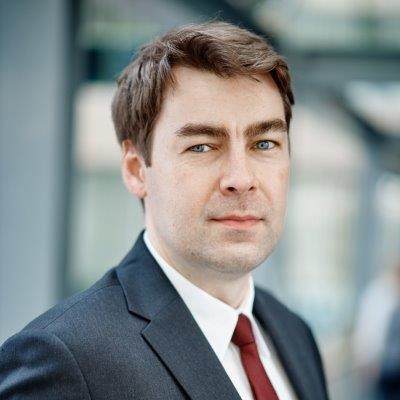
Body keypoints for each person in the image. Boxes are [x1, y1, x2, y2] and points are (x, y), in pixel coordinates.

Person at [0, 21, 329, 400]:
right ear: (136, 170)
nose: (241, 179)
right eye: (202, 146)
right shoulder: (65, 360)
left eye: (265, 144)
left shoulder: (294, 335)